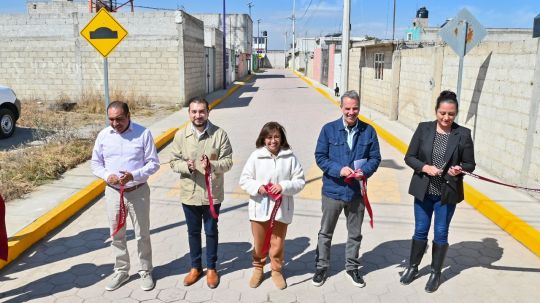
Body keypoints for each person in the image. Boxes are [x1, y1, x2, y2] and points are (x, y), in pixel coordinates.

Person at [402, 90, 475, 293]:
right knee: (420, 230)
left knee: (441, 233)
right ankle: (413, 267)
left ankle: (435, 273)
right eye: (442, 113)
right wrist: (425, 167)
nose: (446, 117)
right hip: (423, 191)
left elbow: (470, 164)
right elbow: (409, 157)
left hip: (446, 193)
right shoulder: (423, 129)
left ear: (456, 113)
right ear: (436, 111)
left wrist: (458, 169)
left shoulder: (463, 134)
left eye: (451, 114)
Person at [313, 90, 381, 287]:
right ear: (341, 107)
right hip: (333, 191)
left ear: (359, 108)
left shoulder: (368, 131)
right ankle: (321, 267)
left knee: (355, 233)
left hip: (356, 193)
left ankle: (352, 268)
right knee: (325, 232)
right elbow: (320, 157)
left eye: (355, 108)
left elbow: (375, 158)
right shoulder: (328, 130)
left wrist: (365, 171)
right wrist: (338, 169)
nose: (351, 112)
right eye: (348, 108)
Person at [91, 101, 160, 291]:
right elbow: (96, 164)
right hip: (113, 193)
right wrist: (107, 176)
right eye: (111, 119)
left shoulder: (143, 133)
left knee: (142, 234)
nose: (114, 123)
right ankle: (121, 270)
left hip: (138, 192)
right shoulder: (104, 135)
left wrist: (134, 175)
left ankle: (146, 270)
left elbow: (153, 164)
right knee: (117, 234)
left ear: (129, 116)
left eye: (119, 119)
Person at [170, 96, 233, 289]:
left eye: (201, 111)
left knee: (211, 231)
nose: (198, 115)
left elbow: (228, 161)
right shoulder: (181, 136)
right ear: (189, 113)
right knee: (193, 232)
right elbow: (173, 161)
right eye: (194, 112)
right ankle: (196, 267)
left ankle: (212, 268)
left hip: (212, 195)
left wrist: (212, 165)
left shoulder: (219, 134)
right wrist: (186, 166)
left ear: (208, 112)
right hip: (189, 194)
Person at [239, 122, 305, 290]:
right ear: (263, 139)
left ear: (282, 138)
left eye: (276, 137)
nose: (273, 141)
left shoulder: (290, 157)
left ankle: (276, 270)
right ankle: (258, 269)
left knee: (277, 243)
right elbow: (244, 180)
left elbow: (300, 181)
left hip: (282, 208)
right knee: (260, 242)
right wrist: (258, 188)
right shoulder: (256, 156)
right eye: (269, 137)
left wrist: (284, 186)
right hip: (259, 207)